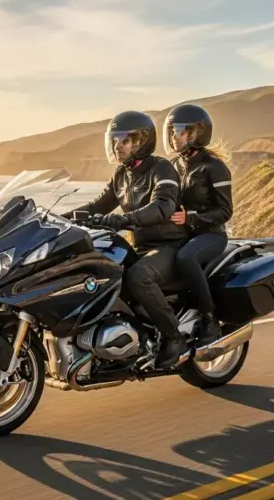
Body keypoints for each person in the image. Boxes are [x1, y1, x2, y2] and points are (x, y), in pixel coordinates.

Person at [65, 110, 190, 369]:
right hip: (141, 247)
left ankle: (173, 336)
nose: (117, 146)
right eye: (114, 140)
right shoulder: (122, 175)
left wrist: (123, 220)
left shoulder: (161, 168)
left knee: (138, 276)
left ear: (141, 141)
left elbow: (163, 207)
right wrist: (56, 219)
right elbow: (97, 205)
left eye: (123, 140)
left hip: (169, 246)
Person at [163, 103, 233, 345]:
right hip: (184, 232)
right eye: (173, 131)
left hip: (211, 234)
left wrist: (191, 218)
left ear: (196, 134)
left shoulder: (215, 167)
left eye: (181, 131)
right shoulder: (175, 165)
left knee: (185, 258)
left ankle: (209, 318)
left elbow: (225, 211)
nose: (175, 136)